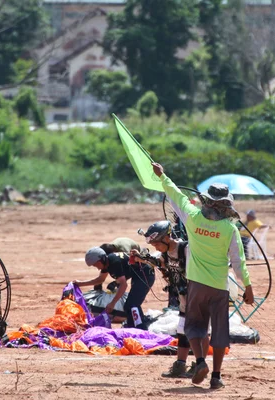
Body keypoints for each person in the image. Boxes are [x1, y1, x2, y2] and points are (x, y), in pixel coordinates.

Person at [152, 161, 254, 390]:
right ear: (227, 205)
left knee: (194, 326)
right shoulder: (230, 230)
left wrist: (162, 176)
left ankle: (199, 361)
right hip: (220, 287)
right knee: (219, 331)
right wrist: (247, 286)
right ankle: (216, 377)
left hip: (196, 284)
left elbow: (175, 196)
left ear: (206, 201)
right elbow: (239, 262)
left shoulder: (193, 218)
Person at [132, 220, 210, 379]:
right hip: (184, 300)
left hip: (199, 298)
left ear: (167, 238)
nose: (156, 247)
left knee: (200, 333)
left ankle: (199, 365)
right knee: (182, 332)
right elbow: (159, 262)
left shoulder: (187, 250)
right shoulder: (166, 253)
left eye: (157, 244)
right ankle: (180, 365)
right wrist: (141, 257)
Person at [73, 247, 155, 330]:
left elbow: (123, 285)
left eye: (96, 265)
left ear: (101, 260)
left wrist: (113, 303)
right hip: (139, 277)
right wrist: (80, 283)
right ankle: (134, 326)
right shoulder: (108, 262)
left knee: (132, 305)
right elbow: (100, 279)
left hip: (145, 276)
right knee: (130, 305)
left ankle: (140, 328)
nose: (97, 268)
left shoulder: (114, 262)